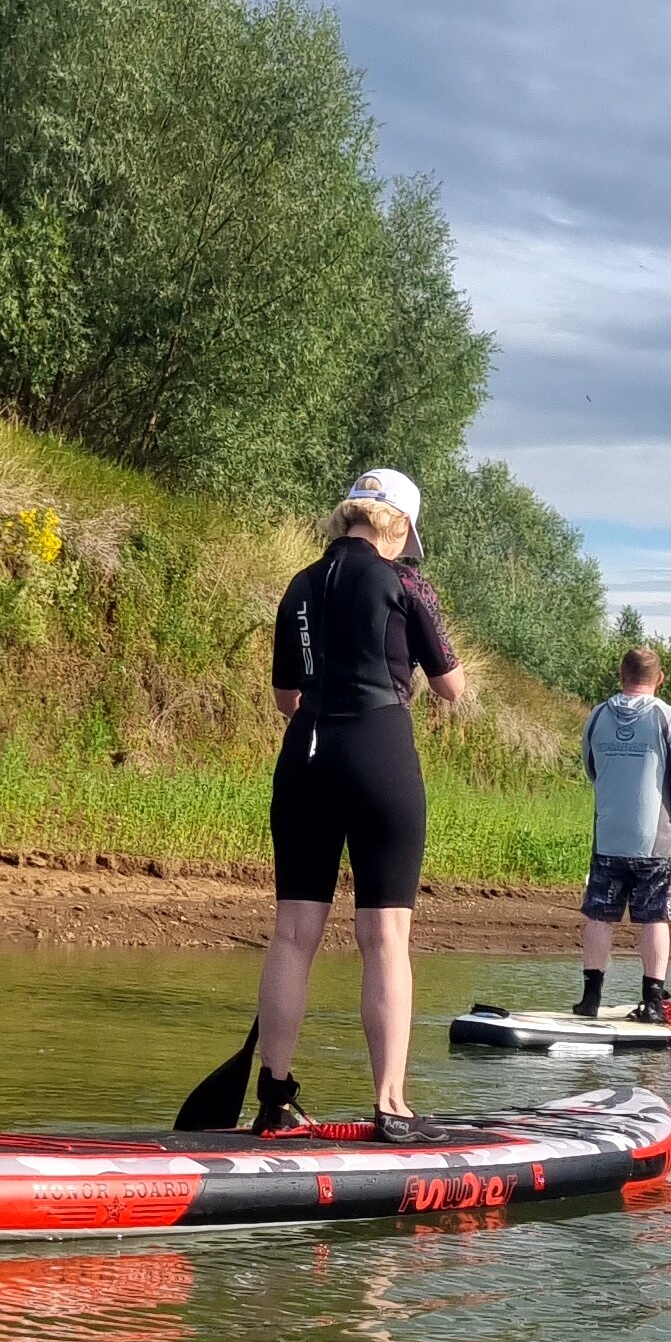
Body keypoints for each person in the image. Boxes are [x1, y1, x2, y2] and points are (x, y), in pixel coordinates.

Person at [257, 467, 468, 1139]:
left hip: (307, 758)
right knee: (385, 937)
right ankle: (390, 1102)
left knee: (293, 935)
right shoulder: (407, 582)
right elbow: (450, 688)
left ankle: (273, 1097)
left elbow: (287, 697)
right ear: (398, 525)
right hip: (379, 753)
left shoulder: (300, 585)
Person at [574, 644, 671, 1023]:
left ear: (620, 674)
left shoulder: (596, 716)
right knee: (654, 918)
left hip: (609, 834)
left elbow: (591, 767)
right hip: (654, 838)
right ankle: (653, 1002)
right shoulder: (669, 718)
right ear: (659, 679)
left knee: (599, 916)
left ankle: (590, 999)